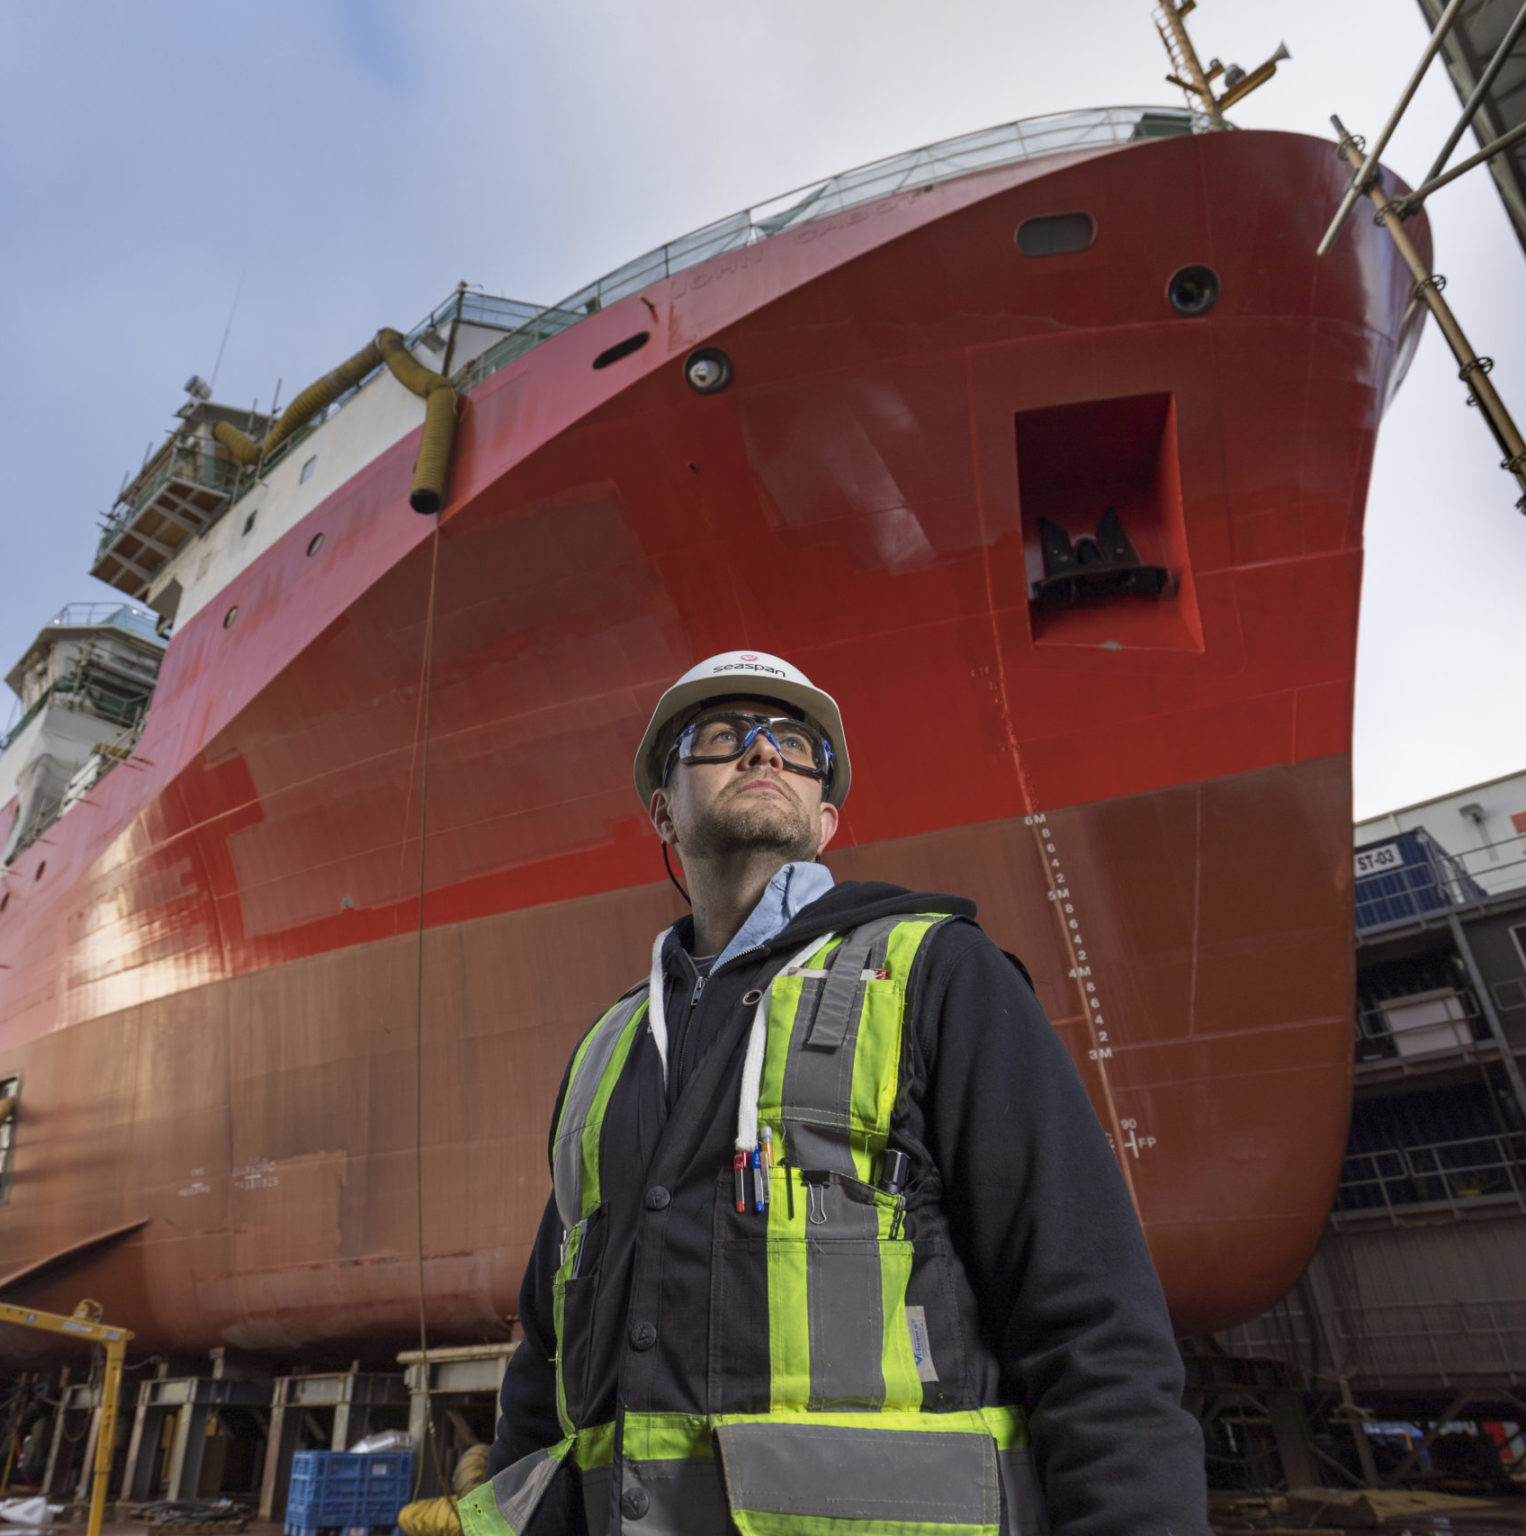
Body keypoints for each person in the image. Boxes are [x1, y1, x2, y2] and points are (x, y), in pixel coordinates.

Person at [466, 651, 1210, 1536]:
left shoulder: (934, 974)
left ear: (826, 819)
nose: (763, 752)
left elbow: (1093, 1323)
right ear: (663, 810)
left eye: (791, 741)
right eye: (722, 737)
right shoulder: (605, 1055)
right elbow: (545, 1365)